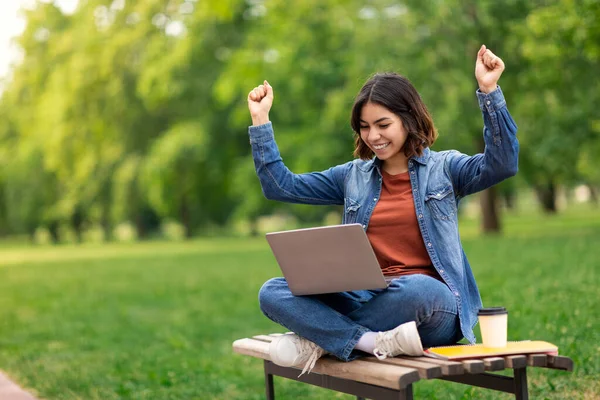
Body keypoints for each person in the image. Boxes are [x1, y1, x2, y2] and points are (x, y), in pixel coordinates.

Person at [246, 45, 518, 375]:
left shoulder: (445, 168)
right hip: (367, 301)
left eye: (383, 124)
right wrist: (260, 120)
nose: (373, 136)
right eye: (364, 126)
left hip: (431, 311)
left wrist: (489, 91)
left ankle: (319, 339)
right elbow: (281, 186)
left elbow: (502, 164)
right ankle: (367, 342)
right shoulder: (352, 176)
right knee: (273, 291)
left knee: (420, 288)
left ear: (408, 119)